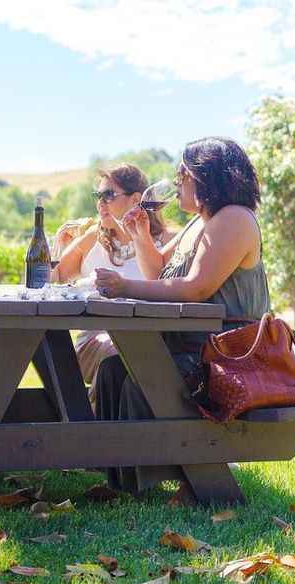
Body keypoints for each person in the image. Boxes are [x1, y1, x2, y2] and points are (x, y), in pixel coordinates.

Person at [93, 137, 270, 421]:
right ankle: (114, 464)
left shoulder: (233, 219)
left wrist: (124, 287)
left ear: (205, 176)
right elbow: (159, 271)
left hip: (224, 356)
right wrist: (140, 235)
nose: (176, 184)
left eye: (182, 175)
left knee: (143, 383)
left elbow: (196, 288)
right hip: (191, 346)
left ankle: (155, 465)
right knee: (112, 371)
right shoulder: (200, 221)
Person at [50, 164, 173, 410]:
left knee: (130, 359)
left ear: (137, 199)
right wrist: (58, 247)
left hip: (150, 337)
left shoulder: (168, 243)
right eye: (98, 196)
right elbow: (53, 281)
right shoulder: (93, 238)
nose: (100, 203)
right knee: (117, 353)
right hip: (95, 339)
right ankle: (98, 428)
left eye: (108, 195)